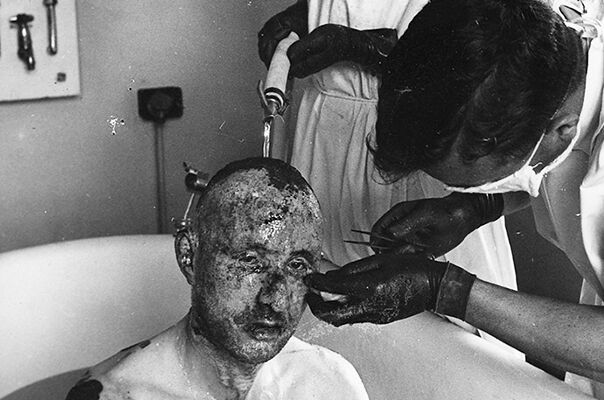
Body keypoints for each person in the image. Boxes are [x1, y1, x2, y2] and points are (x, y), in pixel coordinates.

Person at [305, 0, 604, 396]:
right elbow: (545, 167)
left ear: (559, 129)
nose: (472, 191)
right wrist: (471, 208)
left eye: (473, 185)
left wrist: (445, 288)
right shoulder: (547, 39)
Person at [257, 0, 519, 356]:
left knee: (438, 317)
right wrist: (309, 12)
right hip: (327, 123)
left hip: (419, 120)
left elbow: (488, 42)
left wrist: (361, 46)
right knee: (327, 292)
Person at [64, 158, 368, 400]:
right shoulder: (114, 394)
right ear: (189, 257)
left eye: (297, 265)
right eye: (251, 261)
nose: (275, 298)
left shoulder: (328, 381)